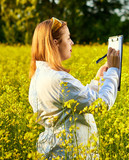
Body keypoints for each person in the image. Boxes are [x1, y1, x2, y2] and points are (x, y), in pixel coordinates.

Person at [28, 17, 120, 159]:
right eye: (68, 38)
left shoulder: (38, 76)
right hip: (70, 154)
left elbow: (79, 99)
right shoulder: (59, 80)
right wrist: (113, 71)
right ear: (55, 43)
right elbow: (101, 104)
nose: (72, 43)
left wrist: (98, 79)